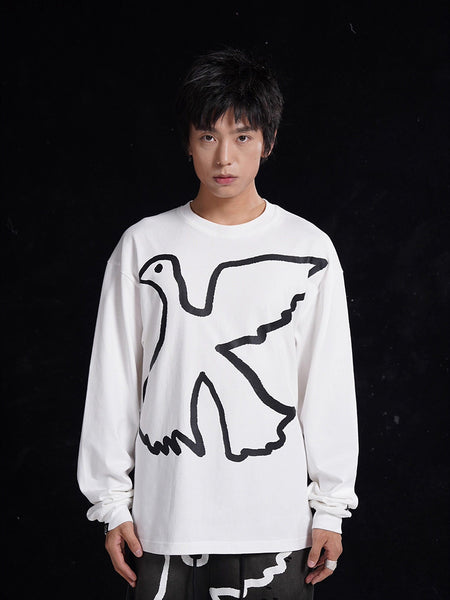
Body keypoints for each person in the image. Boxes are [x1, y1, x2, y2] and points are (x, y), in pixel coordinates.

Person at [77, 47, 359, 599]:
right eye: (208, 136)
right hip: (165, 523)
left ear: (267, 142)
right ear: (188, 142)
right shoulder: (142, 245)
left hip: (276, 525)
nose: (224, 157)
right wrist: (111, 504)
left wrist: (331, 507)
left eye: (242, 136)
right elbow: (113, 381)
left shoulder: (308, 247)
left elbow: (327, 384)